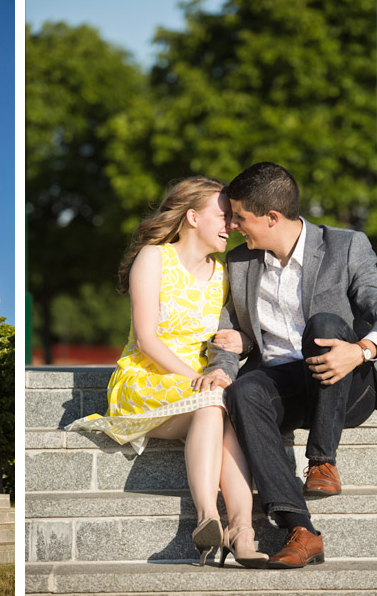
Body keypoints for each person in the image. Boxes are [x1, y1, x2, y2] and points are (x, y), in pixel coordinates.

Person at [194, 161, 377, 569]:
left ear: (271, 217)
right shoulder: (241, 262)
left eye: (240, 217)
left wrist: (360, 350)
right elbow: (226, 334)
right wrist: (222, 366)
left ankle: (322, 461)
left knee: (325, 325)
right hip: (284, 384)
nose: (235, 226)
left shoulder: (345, 247)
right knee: (243, 390)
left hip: (346, 384)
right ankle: (301, 530)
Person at [67, 176, 268, 568]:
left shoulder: (225, 275)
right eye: (223, 216)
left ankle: (241, 531)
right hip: (146, 378)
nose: (232, 225)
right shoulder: (154, 257)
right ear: (192, 217)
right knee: (212, 400)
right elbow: (145, 338)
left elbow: (242, 333)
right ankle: (208, 516)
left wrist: (241, 344)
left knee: (221, 409)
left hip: (203, 387)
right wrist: (196, 380)